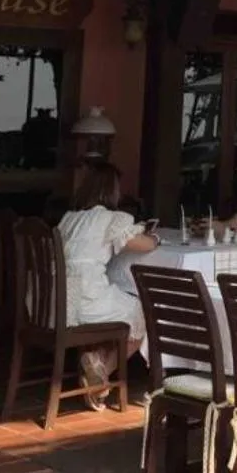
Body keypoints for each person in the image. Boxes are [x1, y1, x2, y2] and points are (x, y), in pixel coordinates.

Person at [57, 164, 158, 408]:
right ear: (111, 191)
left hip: (56, 304)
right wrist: (155, 237)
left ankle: (95, 365)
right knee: (142, 313)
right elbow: (144, 245)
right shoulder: (110, 218)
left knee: (118, 304)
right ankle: (101, 370)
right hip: (85, 301)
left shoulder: (68, 218)